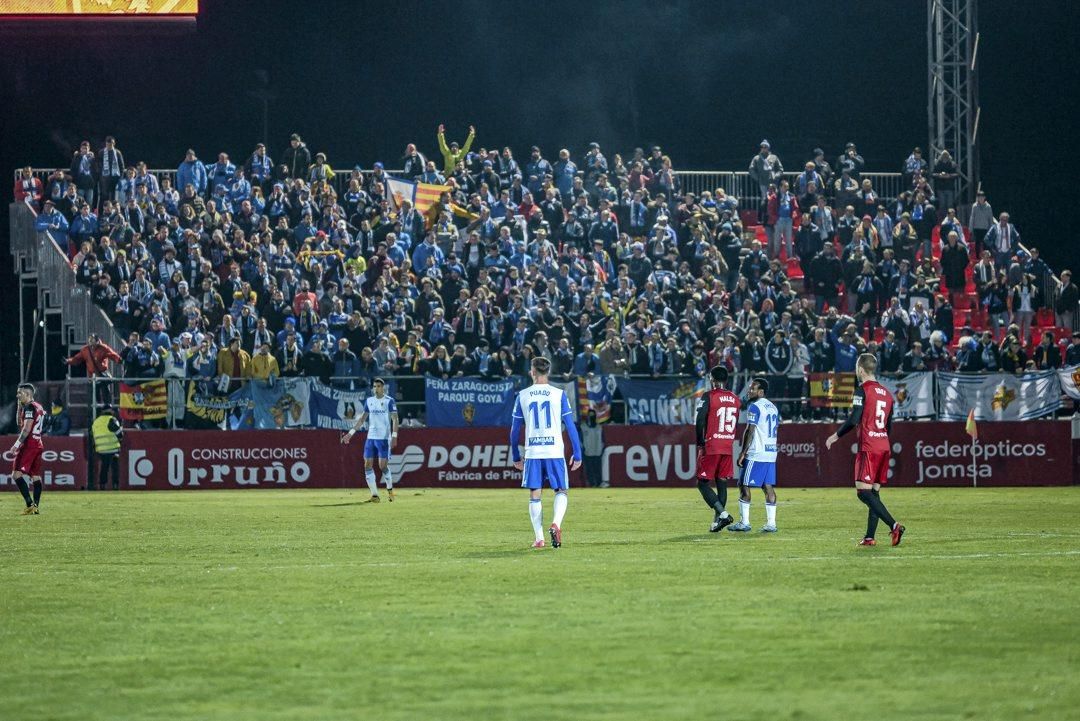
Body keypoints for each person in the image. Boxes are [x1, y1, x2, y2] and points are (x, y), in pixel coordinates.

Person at [825, 353, 906, 547]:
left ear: (860, 369)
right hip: (884, 445)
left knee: (863, 493)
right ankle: (870, 537)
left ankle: (894, 525)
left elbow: (854, 419)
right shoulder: (887, 394)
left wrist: (835, 436)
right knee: (874, 494)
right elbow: (889, 426)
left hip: (869, 446)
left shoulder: (862, 391)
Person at [510, 357, 582, 549]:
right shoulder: (559, 394)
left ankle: (539, 538)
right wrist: (577, 452)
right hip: (554, 450)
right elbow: (570, 426)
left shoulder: (522, 395)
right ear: (548, 372)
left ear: (532, 371)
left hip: (533, 452)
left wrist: (516, 456)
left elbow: (514, 431)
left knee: (535, 494)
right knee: (561, 490)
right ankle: (556, 524)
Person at [694, 366, 741, 533]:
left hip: (712, 444)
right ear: (726, 380)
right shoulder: (736, 399)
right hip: (728, 445)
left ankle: (723, 514)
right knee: (722, 482)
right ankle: (717, 521)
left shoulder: (709, 396)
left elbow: (700, 420)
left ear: (712, 379)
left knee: (702, 483)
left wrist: (700, 442)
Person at [730, 376, 779, 533]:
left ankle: (744, 522)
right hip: (770, 453)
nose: (750, 390)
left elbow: (750, 431)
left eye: (753, 388)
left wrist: (743, 453)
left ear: (761, 392)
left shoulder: (755, 407)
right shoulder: (773, 407)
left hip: (756, 453)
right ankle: (771, 524)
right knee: (767, 486)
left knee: (743, 484)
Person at [341, 377, 399, 502]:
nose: (376, 389)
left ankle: (390, 491)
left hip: (383, 438)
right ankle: (374, 495)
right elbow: (362, 419)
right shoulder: (369, 401)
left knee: (382, 466)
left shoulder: (389, 401)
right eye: (374, 386)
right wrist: (350, 433)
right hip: (371, 438)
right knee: (367, 464)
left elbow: (395, 419)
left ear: (383, 388)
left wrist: (394, 436)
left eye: (378, 386)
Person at [9, 384, 45, 514]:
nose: (18, 395)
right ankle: (35, 506)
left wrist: (16, 444)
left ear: (28, 394)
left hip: (28, 445)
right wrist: (20, 408)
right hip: (38, 444)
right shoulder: (38, 406)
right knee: (35, 476)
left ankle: (30, 504)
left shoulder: (30, 407)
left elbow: (26, 428)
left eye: (20, 393)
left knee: (16, 474)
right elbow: (21, 423)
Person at [91, 405, 123, 491]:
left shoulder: (96, 421)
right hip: (113, 448)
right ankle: (115, 484)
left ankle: (102, 485)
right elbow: (119, 433)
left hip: (101, 449)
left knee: (104, 467)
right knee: (114, 467)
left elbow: (93, 435)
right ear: (111, 411)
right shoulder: (112, 419)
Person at [580, 410, 604, 488]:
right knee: (589, 470)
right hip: (587, 452)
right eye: (590, 415)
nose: (591, 417)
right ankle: (591, 484)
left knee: (598, 469)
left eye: (593, 415)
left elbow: (603, 440)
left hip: (597, 451)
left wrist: (602, 449)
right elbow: (580, 439)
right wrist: (583, 449)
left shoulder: (599, 427)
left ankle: (599, 483)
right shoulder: (583, 427)